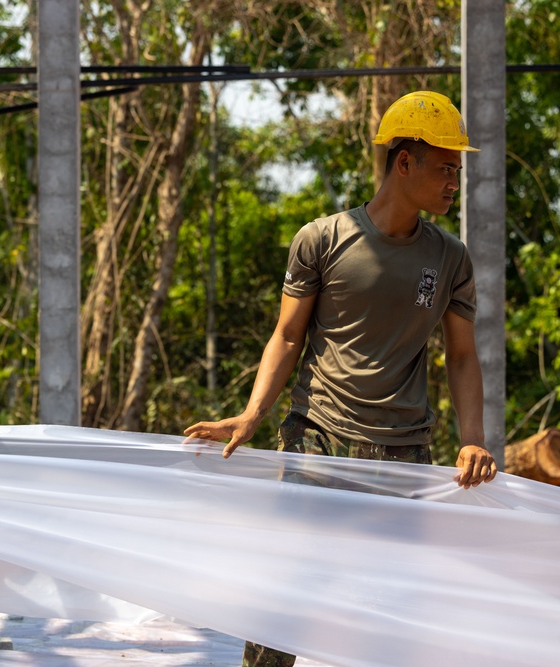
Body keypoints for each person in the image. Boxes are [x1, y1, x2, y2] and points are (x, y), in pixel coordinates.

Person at [183, 91, 498, 667]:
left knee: (394, 609)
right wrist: (253, 413)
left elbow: (460, 357)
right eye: (446, 169)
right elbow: (286, 336)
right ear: (406, 163)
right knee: (286, 598)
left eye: (458, 171)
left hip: (402, 456)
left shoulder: (451, 258)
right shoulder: (323, 239)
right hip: (317, 442)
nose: (455, 182)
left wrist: (473, 438)